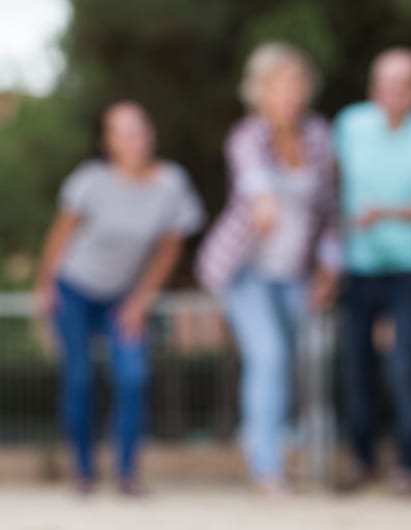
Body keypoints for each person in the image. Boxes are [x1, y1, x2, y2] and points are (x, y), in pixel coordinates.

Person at [35, 101, 205, 495]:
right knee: (78, 378)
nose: (134, 138)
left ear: (151, 134)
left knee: (133, 378)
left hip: (123, 299)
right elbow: (60, 235)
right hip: (74, 289)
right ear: (108, 142)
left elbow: (170, 247)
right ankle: (84, 471)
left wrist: (141, 300)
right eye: (122, 131)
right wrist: (45, 286)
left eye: (139, 128)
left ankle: (127, 473)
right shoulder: (90, 181)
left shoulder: (171, 185)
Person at [196, 42, 338, 497]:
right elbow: (255, 182)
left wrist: (329, 269)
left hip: (294, 272)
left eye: (296, 85)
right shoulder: (247, 137)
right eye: (278, 86)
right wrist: (263, 202)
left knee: (296, 361)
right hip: (245, 270)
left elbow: (332, 211)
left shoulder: (319, 137)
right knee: (269, 357)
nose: (289, 95)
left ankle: (266, 441)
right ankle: (267, 469)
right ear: (259, 92)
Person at [335, 47, 411, 495]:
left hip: (409, 264)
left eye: (403, 85)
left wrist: (382, 213)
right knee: (356, 365)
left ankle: (410, 464)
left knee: (402, 363)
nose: (393, 94)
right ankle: (361, 459)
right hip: (359, 264)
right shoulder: (349, 125)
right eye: (384, 84)